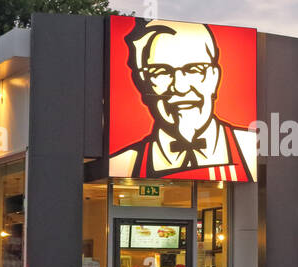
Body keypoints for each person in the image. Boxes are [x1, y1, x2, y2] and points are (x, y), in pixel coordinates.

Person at [109, 19, 257, 181]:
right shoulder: (124, 164)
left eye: (194, 70)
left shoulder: (251, 148)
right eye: (161, 72)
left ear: (214, 78)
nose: (180, 87)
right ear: (144, 83)